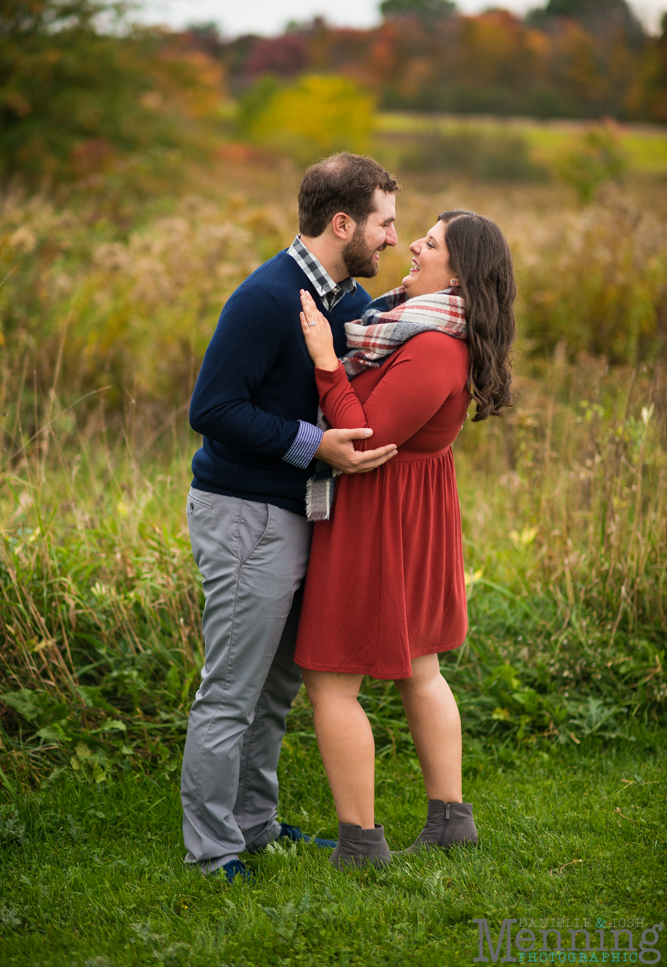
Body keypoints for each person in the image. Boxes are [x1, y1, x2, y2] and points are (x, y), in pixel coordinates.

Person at [181, 153, 401, 882]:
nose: (391, 240)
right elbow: (210, 410)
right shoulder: (266, 298)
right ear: (342, 224)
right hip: (245, 516)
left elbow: (380, 340)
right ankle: (213, 854)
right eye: (383, 224)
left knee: (274, 690)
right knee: (232, 692)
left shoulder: (340, 297)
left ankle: (254, 824)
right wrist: (316, 446)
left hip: (295, 513)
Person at [294, 209, 516, 867]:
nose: (413, 246)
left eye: (432, 243)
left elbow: (363, 436)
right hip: (410, 516)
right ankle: (450, 821)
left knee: (332, 679)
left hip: (380, 519)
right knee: (420, 669)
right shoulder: (420, 327)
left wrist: (326, 363)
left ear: (460, 269)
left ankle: (361, 843)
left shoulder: (431, 346)